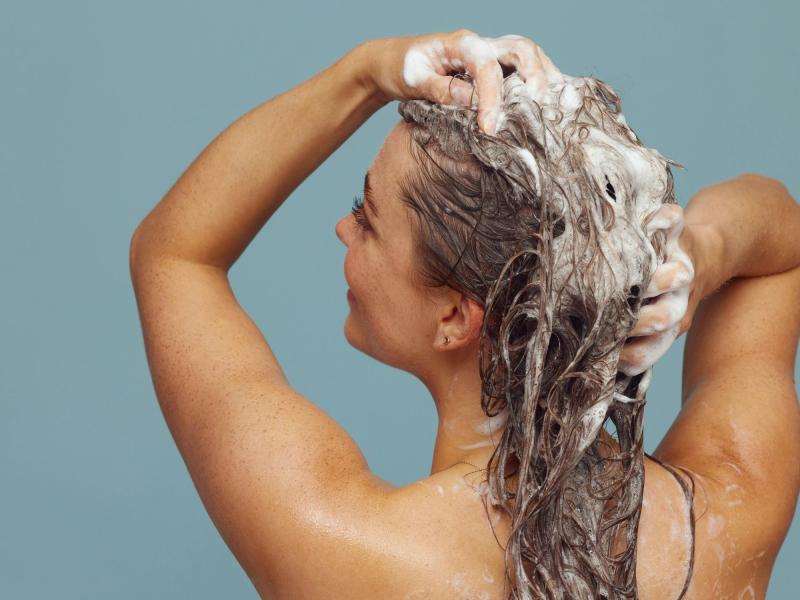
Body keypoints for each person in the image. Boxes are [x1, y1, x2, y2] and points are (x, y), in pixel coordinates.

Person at [129, 29, 800, 600]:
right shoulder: (726, 515)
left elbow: (175, 255)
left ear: (454, 316)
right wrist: (697, 252)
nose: (343, 228)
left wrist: (366, 73)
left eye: (367, 217)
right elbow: (783, 246)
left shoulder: (355, 554)